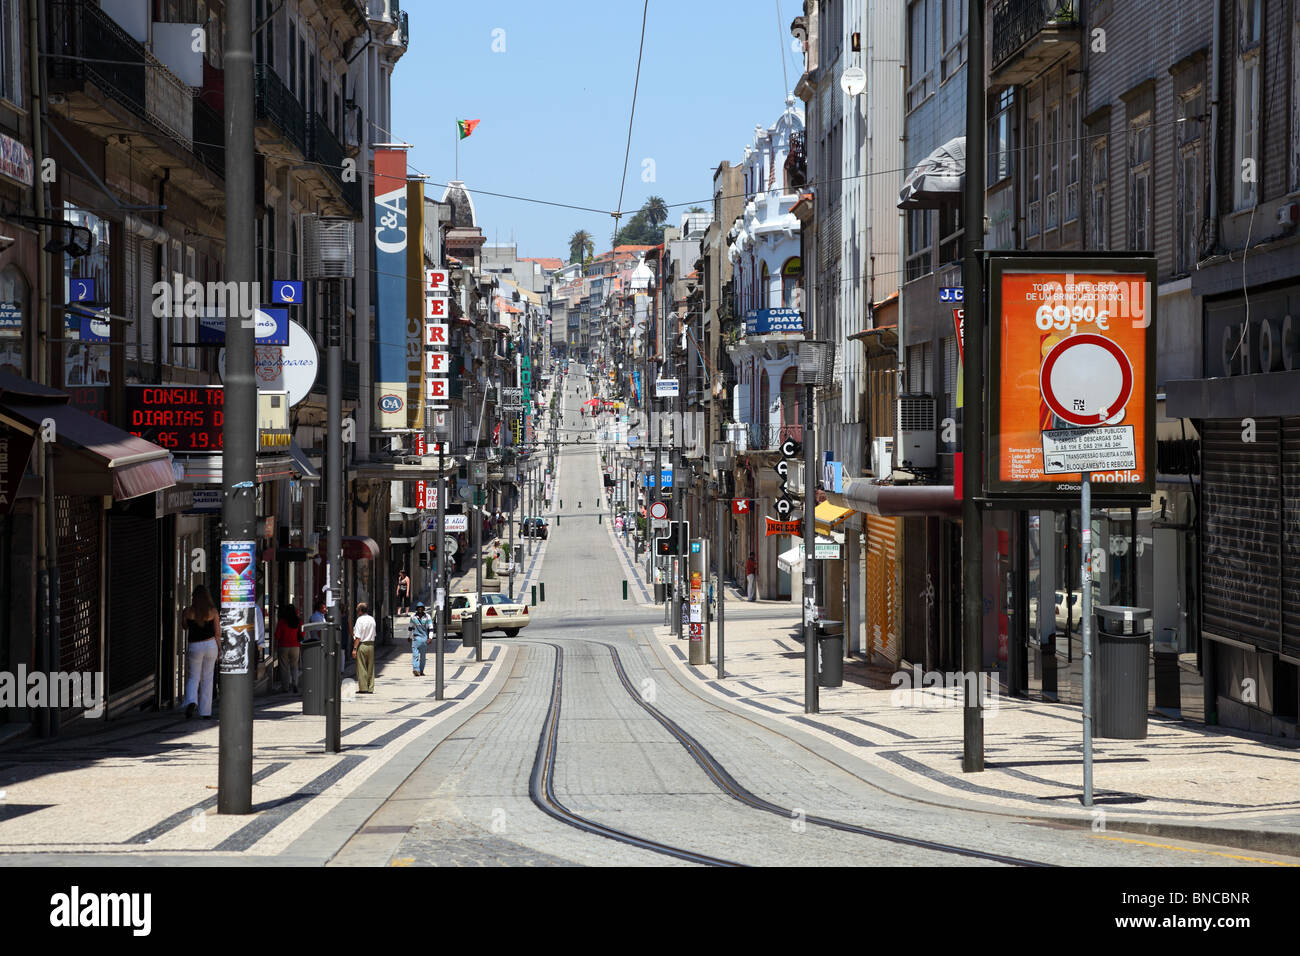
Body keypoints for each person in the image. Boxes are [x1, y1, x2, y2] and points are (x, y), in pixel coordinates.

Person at [181, 586, 219, 719]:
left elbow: (185, 626)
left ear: (194, 597)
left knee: (194, 676)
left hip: (195, 646)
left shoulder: (187, 611)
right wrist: (219, 649)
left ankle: (191, 700)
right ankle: (205, 712)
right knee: (208, 678)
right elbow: (217, 633)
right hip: (210, 645)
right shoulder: (213, 611)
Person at [275, 604, 303, 693]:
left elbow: (277, 635)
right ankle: (295, 683)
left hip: (283, 646)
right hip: (295, 646)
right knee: (294, 666)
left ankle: (285, 687)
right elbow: (302, 634)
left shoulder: (282, 622)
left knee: (284, 667)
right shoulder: (298, 621)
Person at [353, 602, 377, 693]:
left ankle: (363, 688)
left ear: (360, 610)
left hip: (362, 645)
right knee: (370, 666)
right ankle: (370, 687)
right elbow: (374, 633)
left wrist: (355, 648)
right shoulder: (372, 619)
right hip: (371, 644)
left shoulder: (359, 620)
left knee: (361, 667)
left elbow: (358, 636)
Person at [409, 602, 432, 676]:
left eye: (421, 607)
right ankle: (416, 669)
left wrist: (430, 638)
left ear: (423, 608)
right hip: (416, 639)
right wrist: (409, 636)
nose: (420, 609)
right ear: (416, 609)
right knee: (415, 655)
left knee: (423, 656)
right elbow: (410, 627)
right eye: (419, 608)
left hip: (424, 639)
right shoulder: (413, 617)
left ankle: (421, 670)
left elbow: (431, 628)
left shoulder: (427, 617)